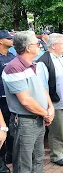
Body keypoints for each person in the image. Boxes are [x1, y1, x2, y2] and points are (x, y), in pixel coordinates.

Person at [2, 31, 55, 173]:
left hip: (38, 119)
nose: (40, 46)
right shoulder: (14, 68)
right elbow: (25, 101)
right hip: (25, 122)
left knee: (38, 159)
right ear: (28, 48)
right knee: (23, 162)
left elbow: (42, 88)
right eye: (37, 44)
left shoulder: (32, 64)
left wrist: (50, 108)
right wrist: (46, 113)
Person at [36, 33, 63, 166]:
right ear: (54, 45)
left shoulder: (61, 58)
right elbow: (42, 86)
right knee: (57, 131)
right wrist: (49, 106)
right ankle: (56, 155)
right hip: (55, 103)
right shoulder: (43, 62)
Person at [0, 30, 14, 173]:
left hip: (11, 99)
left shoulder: (11, 56)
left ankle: (10, 155)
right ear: (1, 41)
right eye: (8, 38)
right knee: (1, 131)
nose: (12, 40)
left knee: (11, 131)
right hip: (1, 100)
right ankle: (1, 162)